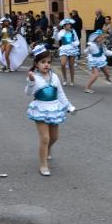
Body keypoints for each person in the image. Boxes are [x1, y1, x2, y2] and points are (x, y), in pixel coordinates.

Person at [26, 44, 75, 176]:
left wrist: (69, 106)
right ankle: (43, 165)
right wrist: (30, 82)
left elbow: (61, 94)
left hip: (54, 108)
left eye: (48, 62)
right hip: (40, 109)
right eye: (42, 62)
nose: (46, 65)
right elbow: (28, 93)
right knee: (45, 138)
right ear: (36, 64)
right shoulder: (34, 77)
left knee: (54, 137)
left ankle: (47, 150)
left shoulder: (55, 77)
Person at [57, 18, 79, 86]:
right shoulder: (61, 32)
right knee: (63, 64)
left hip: (72, 48)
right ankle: (65, 78)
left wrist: (74, 43)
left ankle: (72, 80)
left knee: (71, 65)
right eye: (67, 24)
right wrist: (57, 32)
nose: (69, 25)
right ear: (64, 25)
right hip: (64, 48)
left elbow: (77, 40)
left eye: (69, 24)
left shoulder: (73, 31)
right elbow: (57, 38)